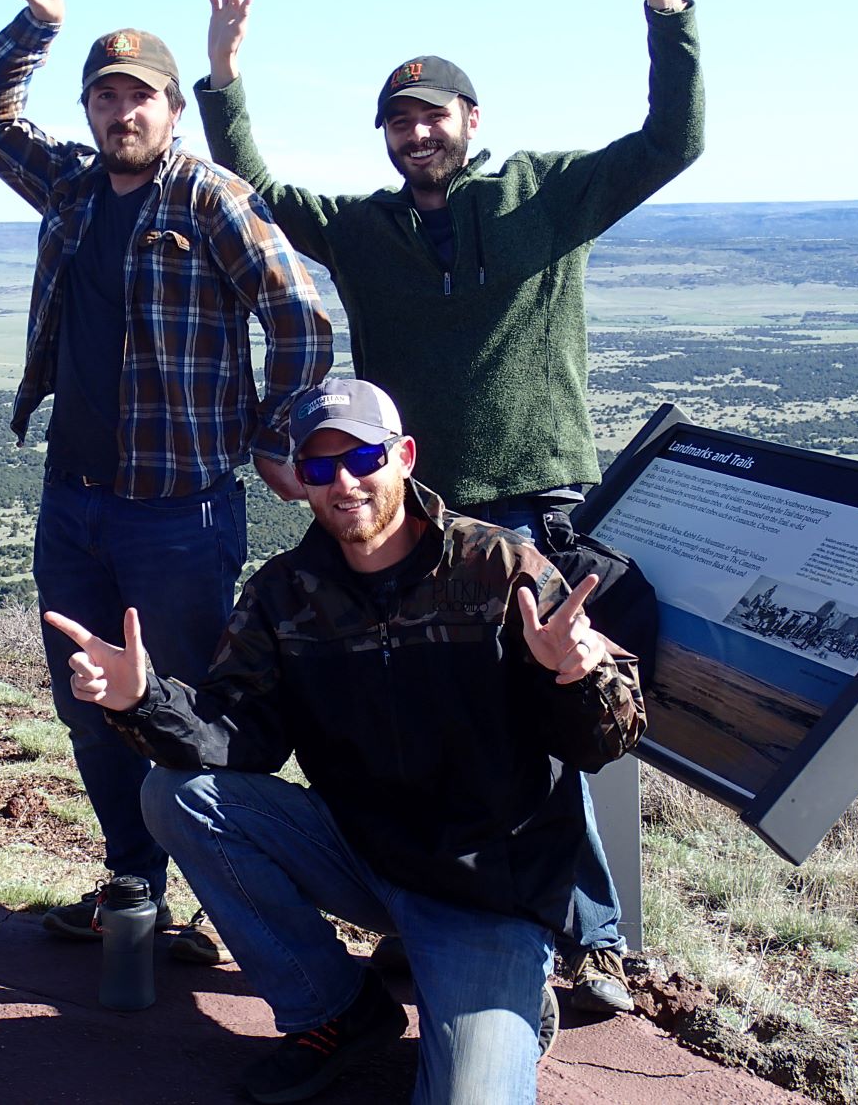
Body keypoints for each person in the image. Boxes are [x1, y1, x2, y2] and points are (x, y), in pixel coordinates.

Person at [193, 0, 700, 1010]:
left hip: (522, 507)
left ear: (471, 118)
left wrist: (669, 12)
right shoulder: (366, 231)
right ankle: (437, 918)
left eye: (434, 114)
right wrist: (223, 80)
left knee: (543, 720)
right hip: (403, 514)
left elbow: (673, 143)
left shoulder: (545, 196)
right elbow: (263, 193)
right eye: (398, 119)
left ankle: (597, 941)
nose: (417, 132)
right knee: (446, 735)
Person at [45, 378, 646, 1104]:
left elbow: (603, 742)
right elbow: (240, 736)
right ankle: (336, 1010)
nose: (345, 482)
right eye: (321, 468)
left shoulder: (496, 569)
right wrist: (145, 701)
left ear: (404, 456)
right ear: (301, 480)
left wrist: (576, 677)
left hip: (486, 893)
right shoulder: (283, 594)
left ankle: (501, 1001)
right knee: (177, 794)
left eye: (362, 457)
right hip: (362, 854)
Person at [0, 0, 333, 948]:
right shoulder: (74, 187)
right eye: (105, 95)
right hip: (74, 500)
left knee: (182, 709)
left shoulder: (212, 197)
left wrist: (270, 435)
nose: (121, 111)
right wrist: (34, 30)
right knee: (91, 704)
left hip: (179, 511)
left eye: (141, 96)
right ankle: (134, 885)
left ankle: (227, 900)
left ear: (173, 108)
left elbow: (299, 319)